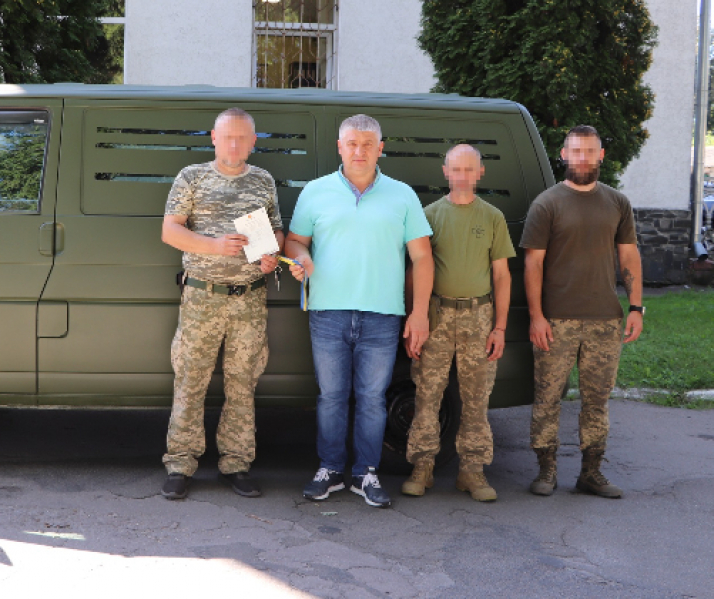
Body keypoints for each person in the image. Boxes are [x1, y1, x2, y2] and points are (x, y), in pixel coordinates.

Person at [285, 114, 434, 507]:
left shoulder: (402, 195)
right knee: (331, 397)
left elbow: (422, 257)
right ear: (339, 147)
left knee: (372, 398)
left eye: (368, 144)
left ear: (380, 148)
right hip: (328, 312)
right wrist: (302, 258)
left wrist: (419, 313)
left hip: (383, 315)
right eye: (352, 143)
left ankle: (366, 473)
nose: (359, 151)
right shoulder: (315, 193)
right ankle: (331, 469)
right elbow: (295, 242)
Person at [160, 108, 284, 500]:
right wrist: (214, 246)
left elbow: (275, 230)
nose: (234, 144)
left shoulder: (263, 181)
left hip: (248, 300)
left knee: (243, 384)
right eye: (227, 137)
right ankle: (180, 463)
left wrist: (271, 256)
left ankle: (236, 463)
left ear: (252, 141)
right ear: (213, 137)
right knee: (190, 381)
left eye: (242, 137)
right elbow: (170, 230)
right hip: (202, 296)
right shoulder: (192, 177)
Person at [521, 125, 644, 499]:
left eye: (590, 151)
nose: (583, 157)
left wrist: (636, 305)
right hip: (556, 321)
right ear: (564, 153)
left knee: (597, 401)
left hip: (605, 321)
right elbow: (533, 265)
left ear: (601, 155)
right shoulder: (547, 203)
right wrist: (537, 316)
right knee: (547, 398)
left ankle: (591, 473)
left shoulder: (617, 203)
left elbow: (628, 256)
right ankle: (546, 471)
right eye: (576, 151)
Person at [401, 145, 514, 502]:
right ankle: (423, 467)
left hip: (479, 316)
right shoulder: (429, 215)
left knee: (476, 397)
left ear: (480, 173)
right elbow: (414, 270)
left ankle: (473, 471)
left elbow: (501, 276)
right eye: (456, 169)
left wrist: (499, 327)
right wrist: (414, 317)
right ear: (445, 171)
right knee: (427, 394)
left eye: (469, 169)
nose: (462, 175)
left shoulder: (493, 217)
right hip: (436, 315)